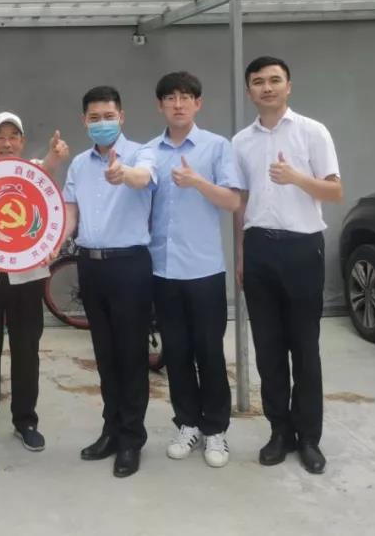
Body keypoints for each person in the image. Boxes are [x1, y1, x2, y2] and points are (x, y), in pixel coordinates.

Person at [231, 56, 343, 475]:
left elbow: (334, 191)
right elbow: (240, 204)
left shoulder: (313, 132)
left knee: (305, 348)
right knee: (269, 349)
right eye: (258, 81)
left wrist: (297, 178)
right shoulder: (241, 142)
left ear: (288, 86)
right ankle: (279, 431)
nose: (267, 87)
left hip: (302, 249)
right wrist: (241, 254)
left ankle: (309, 437)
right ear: (249, 91)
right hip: (259, 248)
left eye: (275, 80)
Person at [0, 112, 69, 453]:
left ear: (21, 141)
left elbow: (47, 170)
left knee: (26, 349)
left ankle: (26, 420)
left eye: (13, 136)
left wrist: (54, 156)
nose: (6, 143)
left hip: (26, 277)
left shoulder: (31, 170)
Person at [146, 71, 242, 469]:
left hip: (203, 270)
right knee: (177, 352)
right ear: (160, 106)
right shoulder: (149, 152)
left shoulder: (217, 147)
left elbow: (232, 201)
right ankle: (187, 423)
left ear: (198, 103)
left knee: (209, 352)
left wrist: (198, 181)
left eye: (186, 97)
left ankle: (215, 428)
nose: (178, 104)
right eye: (170, 98)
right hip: (162, 270)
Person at [61, 85, 156, 478]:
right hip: (91, 266)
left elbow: (143, 177)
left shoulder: (141, 153)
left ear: (122, 117)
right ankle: (111, 430)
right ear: (84, 121)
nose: (102, 123)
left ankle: (132, 438)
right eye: (94, 117)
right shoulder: (78, 165)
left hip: (129, 266)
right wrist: (54, 241)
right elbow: (70, 212)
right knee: (105, 354)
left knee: (131, 355)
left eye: (109, 116)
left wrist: (123, 173)